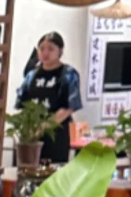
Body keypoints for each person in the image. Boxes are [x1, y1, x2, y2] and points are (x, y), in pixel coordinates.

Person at [15, 31, 82, 164]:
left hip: (57, 133)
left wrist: (43, 127)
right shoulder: (31, 75)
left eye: (51, 49)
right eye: (42, 49)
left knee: (52, 173)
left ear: (60, 51)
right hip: (31, 134)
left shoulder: (69, 74)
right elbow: (23, 104)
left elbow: (68, 107)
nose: (45, 53)